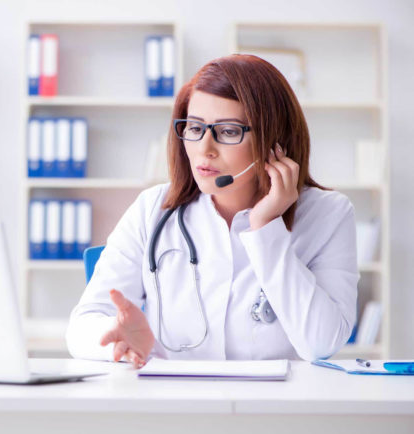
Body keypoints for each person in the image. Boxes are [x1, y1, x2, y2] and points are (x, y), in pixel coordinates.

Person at [65, 54, 360, 368]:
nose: (205, 148)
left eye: (229, 131)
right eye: (194, 128)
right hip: (174, 404)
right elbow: (83, 325)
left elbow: (321, 344)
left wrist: (266, 228)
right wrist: (118, 336)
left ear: (275, 141)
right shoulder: (153, 208)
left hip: (273, 409)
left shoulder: (328, 214)